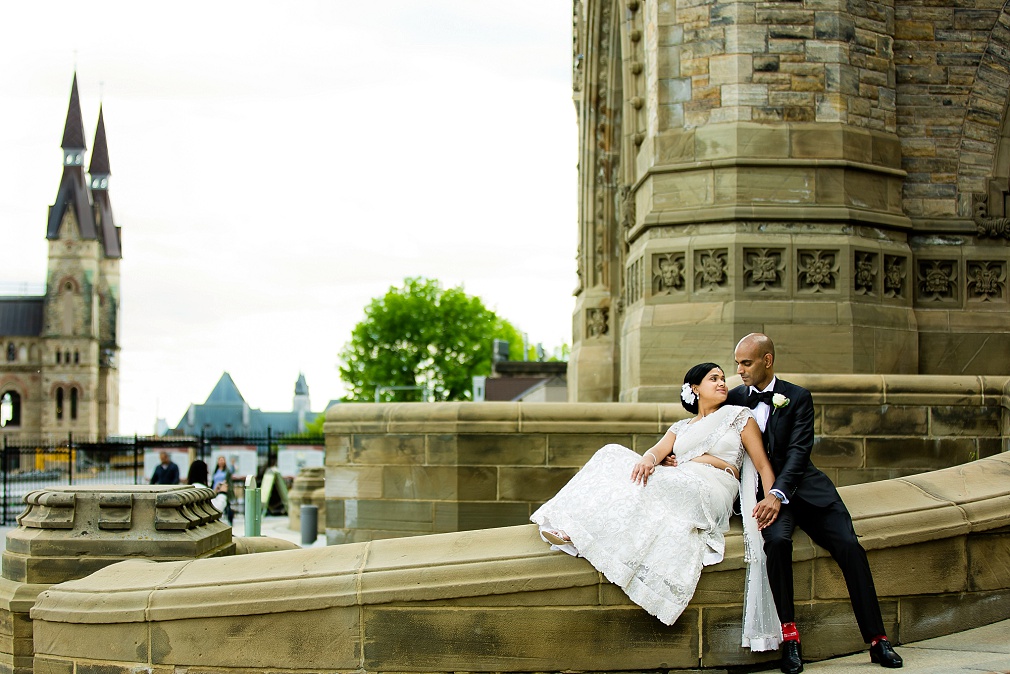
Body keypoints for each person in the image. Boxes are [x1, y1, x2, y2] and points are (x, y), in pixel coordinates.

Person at [531, 363, 782, 650]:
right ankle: (571, 528)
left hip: (713, 487)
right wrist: (650, 459)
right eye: (714, 379)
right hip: (680, 479)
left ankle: (577, 534)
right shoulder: (680, 428)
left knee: (653, 484)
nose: (722, 383)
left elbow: (762, 464)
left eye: (723, 379)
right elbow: (655, 451)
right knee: (612, 453)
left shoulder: (738, 416)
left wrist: (771, 496)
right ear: (695, 389)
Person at [728, 333, 902, 673]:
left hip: (806, 490)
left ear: (767, 360)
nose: (739, 369)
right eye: (736, 362)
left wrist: (777, 493)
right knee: (776, 544)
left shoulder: (797, 397)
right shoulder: (734, 398)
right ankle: (790, 639)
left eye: (746, 362)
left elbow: (798, 452)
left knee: (850, 546)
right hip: (762, 495)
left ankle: (877, 640)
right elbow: (705, 426)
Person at [211, 455, 234, 524]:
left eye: (222, 460)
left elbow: (230, 474)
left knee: (225, 505)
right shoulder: (216, 471)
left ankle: (229, 520)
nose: (221, 462)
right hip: (216, 490)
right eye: (220, 460)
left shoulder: (227, 471)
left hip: (224, 490)